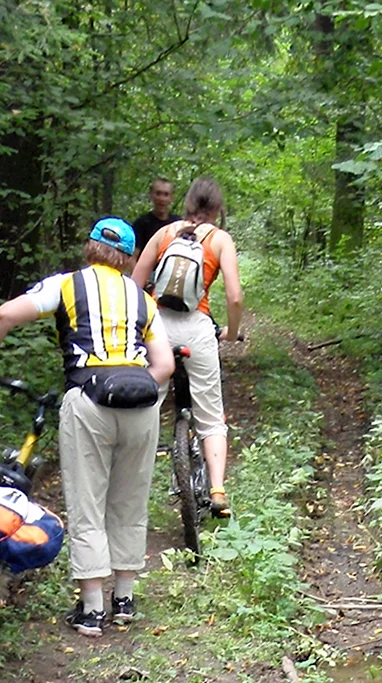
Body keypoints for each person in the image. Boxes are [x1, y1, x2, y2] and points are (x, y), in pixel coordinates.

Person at [0, 218, 174, 636]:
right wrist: (131, 387)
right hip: (142, 406)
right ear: (129, 257)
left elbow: (3, 315)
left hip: (87, 401)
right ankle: (124, 599)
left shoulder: (67, 285)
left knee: (88, 503)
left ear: (90, 248)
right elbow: (165, 365)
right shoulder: (142, 298)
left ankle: (92, 610)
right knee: (130, 500)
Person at [132, 176, 243, 519]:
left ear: (187, 203)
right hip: (197, 326)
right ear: (217, 208)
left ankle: (130, 489)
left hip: (158, 325)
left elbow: (135, 284)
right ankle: (218, 490)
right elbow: (235, 297)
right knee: (211, 417)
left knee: (146, 405)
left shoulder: (164, 234)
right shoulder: (221, 239)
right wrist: (231, 332)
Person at [131, 178, 180, 258]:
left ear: (171, 198)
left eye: (166, 194)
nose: (161, 199)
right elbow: (133, 256)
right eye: (158, 193)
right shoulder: (141, 223)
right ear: (151, 195)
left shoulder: (177, 224)